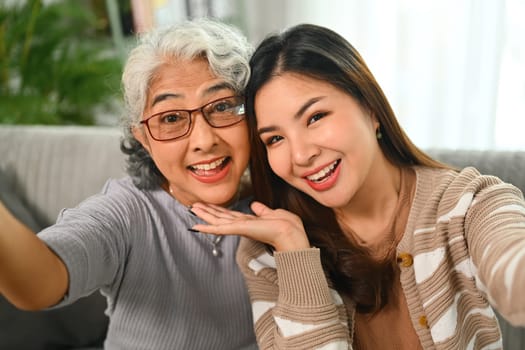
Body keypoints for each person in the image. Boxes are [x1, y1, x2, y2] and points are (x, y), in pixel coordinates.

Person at [189, 23, 525, 349]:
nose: (302, 155)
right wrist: (295, 252)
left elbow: (513, 265)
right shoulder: (268, 252)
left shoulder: (469, 205)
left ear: (370, 107)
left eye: (315, 117)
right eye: (275, 138)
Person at [0, 18, 258, 349]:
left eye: (222, 106)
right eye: (171, 118)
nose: (204, 140)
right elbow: (36, 285)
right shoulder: (127, 212)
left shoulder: (281, 200)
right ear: (143, 139)